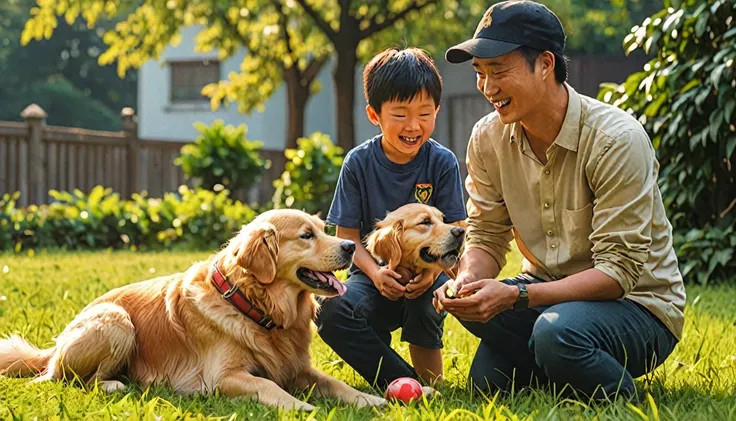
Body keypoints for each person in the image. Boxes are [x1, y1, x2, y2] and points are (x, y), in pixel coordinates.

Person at [434, 0, 686, 401]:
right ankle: (561, 364)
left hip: (637, 307)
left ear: (546, 64)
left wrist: (517, 296)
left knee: (556, 333)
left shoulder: (615, 140)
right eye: (480, 73)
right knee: (488, 382)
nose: (487, 87)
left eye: (498, 70)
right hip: (546, 294)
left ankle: (620, 397)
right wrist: (467, 281)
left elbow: (618, 273)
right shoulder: (487, 139)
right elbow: (486, 235)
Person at [315, 47, 467, 388]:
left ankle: (431, 384)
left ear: (437, 111)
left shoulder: (441, 162)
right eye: (400, 115)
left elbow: (456, 230)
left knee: (426, 304)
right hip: (372, 275)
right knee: (332, 310)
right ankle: (402, 381)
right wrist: (376, 272)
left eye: (425, 113)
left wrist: (432, 274)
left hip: (428, 277)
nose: (413, 126)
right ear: (374, 114)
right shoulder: (358, 162)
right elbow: (348, 234)